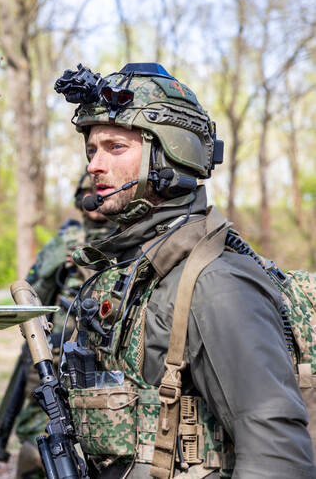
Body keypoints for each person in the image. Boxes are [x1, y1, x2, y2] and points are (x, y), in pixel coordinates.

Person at [50, 62, 315, 478]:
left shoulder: (216, 283)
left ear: (172, 151)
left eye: (115, 148)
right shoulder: (135, 271)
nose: (94, 166)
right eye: (91, 150)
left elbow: (276, 455)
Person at [14, 172, 115, 478]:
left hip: (103, 366)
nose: (94, 199)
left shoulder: (131, 239)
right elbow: (32, 295)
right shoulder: (67, 242)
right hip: (54, 361)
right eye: (88, 192)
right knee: (37, 444)